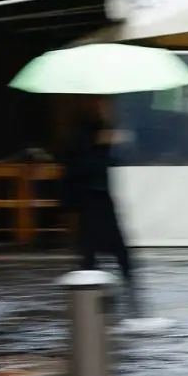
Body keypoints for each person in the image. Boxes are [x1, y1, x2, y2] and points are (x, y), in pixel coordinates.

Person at [62, 97, 137, 311]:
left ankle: (127, 300)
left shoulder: (105, 129)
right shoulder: (79, 135)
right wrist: (97, 143)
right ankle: (94, 307)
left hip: (103, 197)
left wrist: (114, 143)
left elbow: (115, 159)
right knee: (90, 255)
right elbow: (76, 167)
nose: (105, 109)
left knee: (119, 253)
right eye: (101, 105)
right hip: (87, 200)